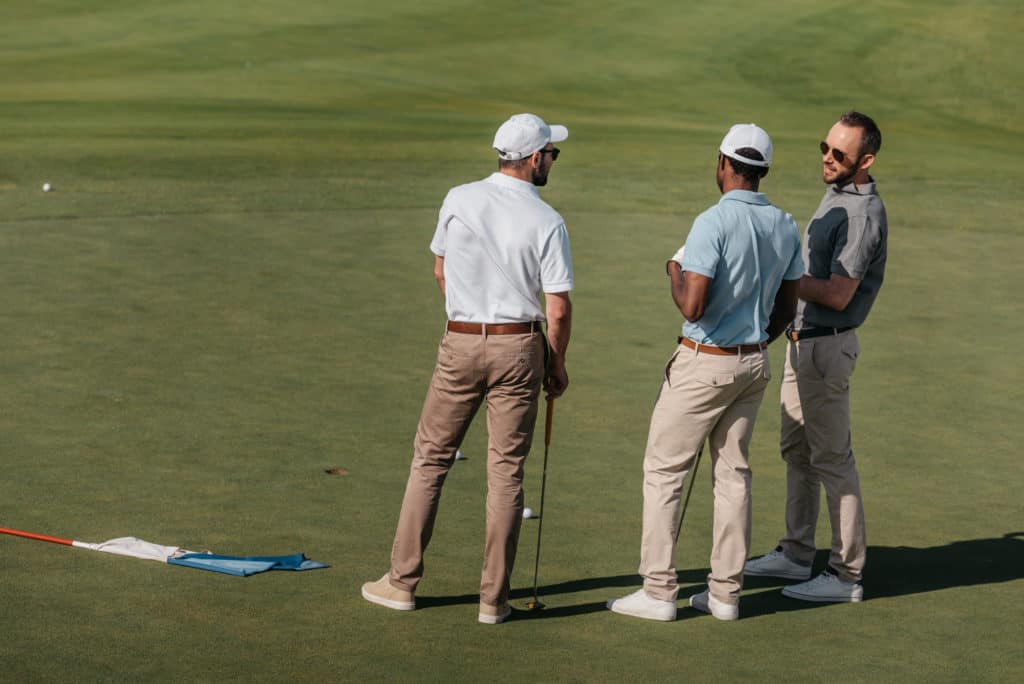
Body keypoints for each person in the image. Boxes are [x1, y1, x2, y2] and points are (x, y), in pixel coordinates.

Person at [361, 113, 573, 624]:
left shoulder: (459, 197)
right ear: (531, 158)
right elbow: (559, 308)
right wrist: (557, 363)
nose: (553, 161)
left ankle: (401, 582)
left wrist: (466, 322)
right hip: (520, 347)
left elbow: (440, 268)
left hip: (459, 341)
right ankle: (493, 601)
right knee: (505, 473)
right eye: (551, 153)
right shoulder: (548, 220)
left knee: (431, 459)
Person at [607, 124, 802, 622]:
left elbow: (692, 306)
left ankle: (656, 590)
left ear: (722, 163)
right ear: (762, 171)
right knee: (733, 475)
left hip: (705, 362)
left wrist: (672, 269)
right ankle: (725, 594)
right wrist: (758, 338)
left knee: (665, 472)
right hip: (754, 363)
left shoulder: (711, 221)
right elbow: (789, 300)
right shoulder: (784, 223)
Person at [744, 111, 887, 603]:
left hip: (828, 348)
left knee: (832, 459)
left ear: (865, 161)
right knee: (797, 451)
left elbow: (840, 293)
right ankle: (796, 552)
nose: (827, 159)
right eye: (823, 148)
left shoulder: (862, 214)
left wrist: (780, 276)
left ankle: (846, 576)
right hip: (803, 343)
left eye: (839, 154)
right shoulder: (838, 191)